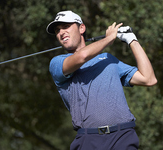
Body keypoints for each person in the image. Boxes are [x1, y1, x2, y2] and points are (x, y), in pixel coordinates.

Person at [46, 10, 157, 150]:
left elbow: (149, 79)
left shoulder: (107, 59)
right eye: (57, 30)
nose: (61, 33)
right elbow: (81, 57)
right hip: (89, 140)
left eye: (66, 26)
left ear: (81, 28)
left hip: (122, 137)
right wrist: (109, 39)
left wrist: (132, 40)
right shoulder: (57, 63)